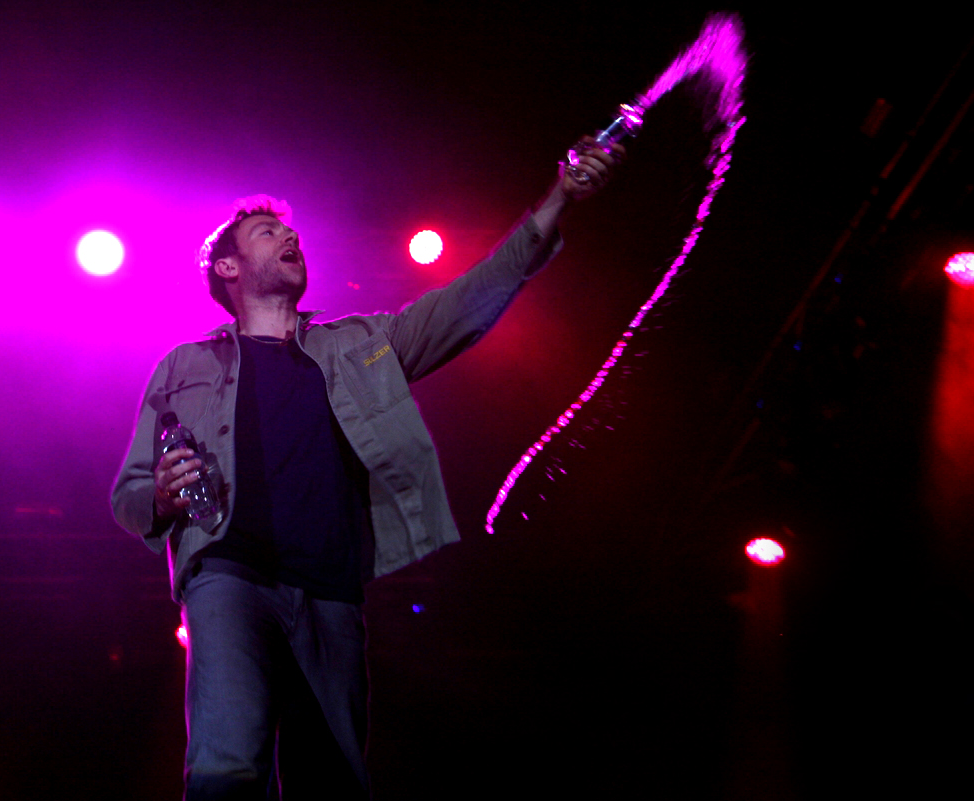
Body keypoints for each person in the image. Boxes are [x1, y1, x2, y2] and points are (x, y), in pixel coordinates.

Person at [111, 140, 623, 798]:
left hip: (330, 586)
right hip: (229, 575)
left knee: (335, 777)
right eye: (267, 232)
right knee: (227, 768)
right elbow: (129, 494)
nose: (289, 237)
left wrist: (557, 202)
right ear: (228, 267)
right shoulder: (185, 365)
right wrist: (159, 495)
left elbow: (466, 304)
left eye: (291, 232)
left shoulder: (360, 343)